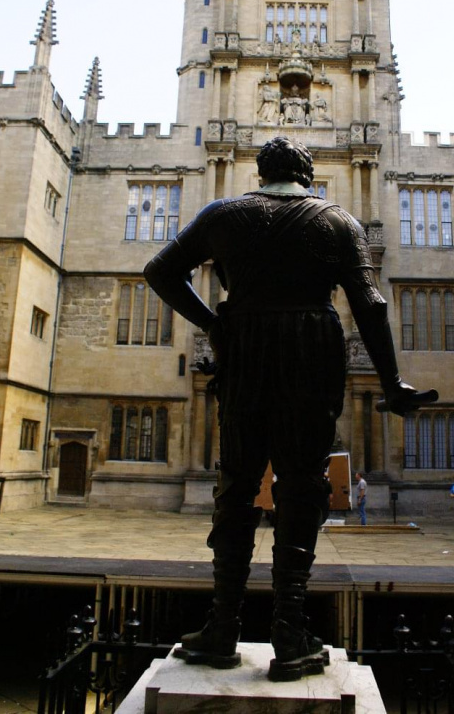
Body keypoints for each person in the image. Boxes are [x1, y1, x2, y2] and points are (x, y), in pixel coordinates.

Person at [144, 137, 438, 681]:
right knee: (302, 487)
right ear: (307, 173)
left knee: (235, 487)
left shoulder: (223, 214)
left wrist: (213, 322)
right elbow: (370, 305)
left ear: (260, 171)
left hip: (246, 348)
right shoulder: (336, 221)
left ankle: (221, 628)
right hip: (311, 348)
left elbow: (159, 272)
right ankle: (290, 630)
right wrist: (391, 381)